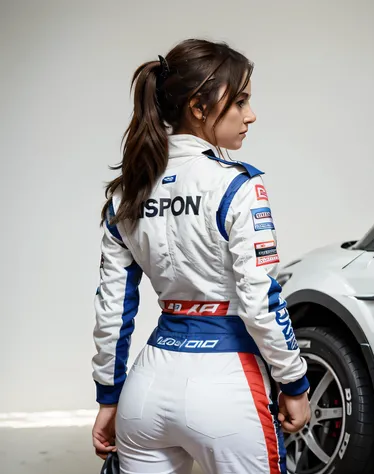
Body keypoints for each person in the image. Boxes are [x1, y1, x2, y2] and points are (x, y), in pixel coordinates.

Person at [91, 38, 311, 474]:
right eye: (241, 100)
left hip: (146, 388)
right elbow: (261, 302)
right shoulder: (238, 185)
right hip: (229, 388)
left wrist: (109, 397)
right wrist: (295, 383)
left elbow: (111, 310)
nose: (251, 115)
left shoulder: (127, 193)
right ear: (198, 106)